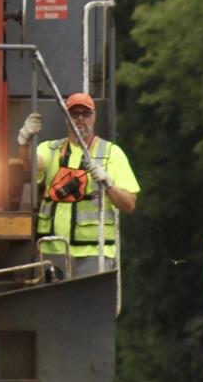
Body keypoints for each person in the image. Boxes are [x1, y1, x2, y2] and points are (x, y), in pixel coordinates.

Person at [17, 92, 138, 277]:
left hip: (94, 254)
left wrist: (108, 183)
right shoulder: (51, 149)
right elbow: (29, 165)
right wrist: (24, 141)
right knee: (53, 305)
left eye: (85, 113)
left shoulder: (112, 153)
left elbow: (129, 204)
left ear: (93, 116)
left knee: (88, 304)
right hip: (53, 253)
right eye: (74, 113)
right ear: (67, 118)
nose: (80, 118)